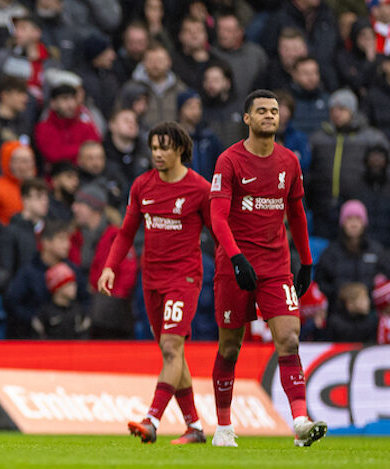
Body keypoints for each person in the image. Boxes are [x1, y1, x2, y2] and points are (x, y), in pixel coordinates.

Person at [209, 89, 326, 447]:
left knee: (289, 339)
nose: (269, 116)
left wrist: (305, 260)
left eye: (274, 111)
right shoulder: (229, 161)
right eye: (261, 111)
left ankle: (301, 421)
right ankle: (224, 427)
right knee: (230, 347)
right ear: (247, 118)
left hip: (276, 267)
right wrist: (235, 256)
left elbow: (297, 214)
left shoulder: (289, 161)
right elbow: (217, 216)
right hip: (236, 266)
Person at [98, 122, 211, 444]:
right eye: (154, 148)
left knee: (172, 347)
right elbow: (126, 233)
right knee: (173, 354)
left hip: (184, 278)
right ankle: (195, 428)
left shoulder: (199, 189)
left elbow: (219, 231)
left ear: (180, 150)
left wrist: (235, 265)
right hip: (151, 280)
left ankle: (152, 420)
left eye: (164, 148)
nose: (158, 154)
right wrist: (110, 267)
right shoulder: (142, 186)